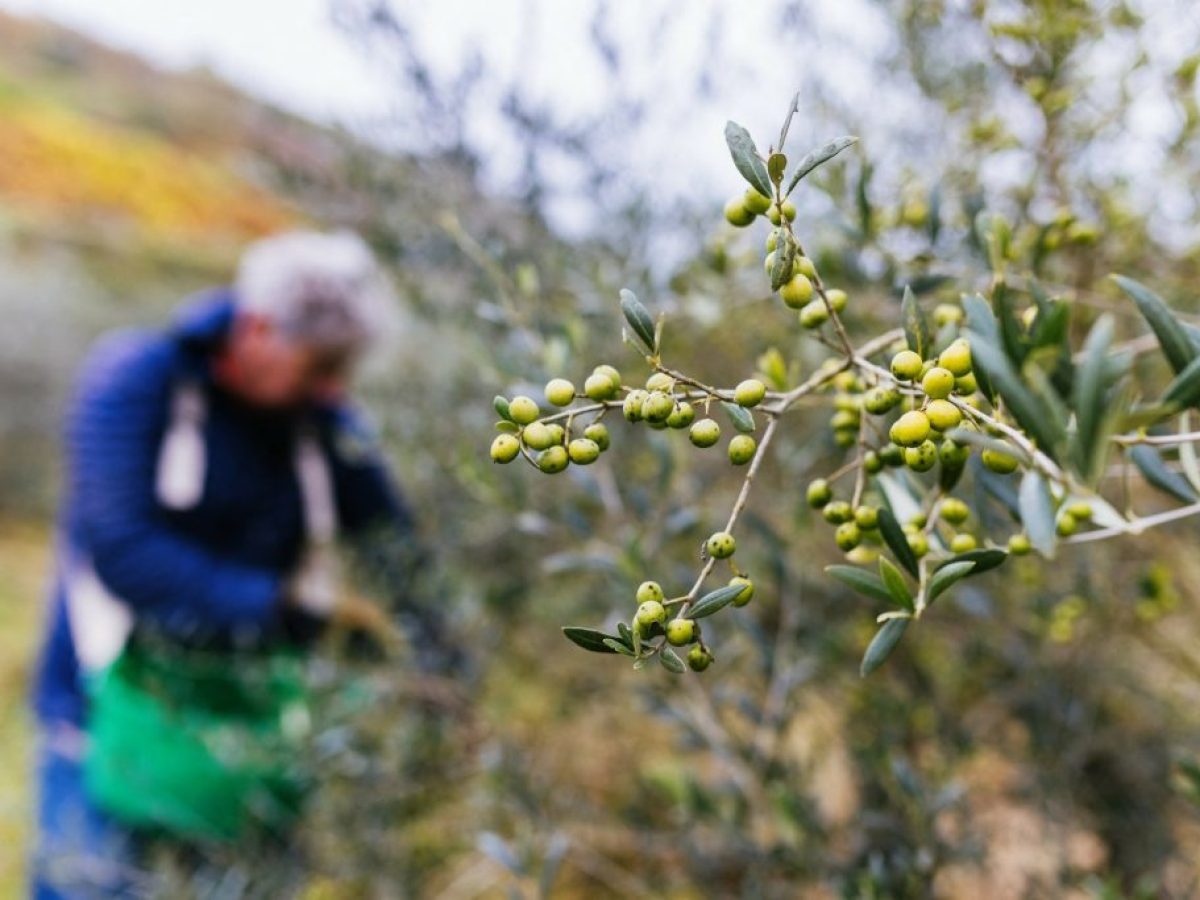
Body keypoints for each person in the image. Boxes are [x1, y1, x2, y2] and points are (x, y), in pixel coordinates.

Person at [30, 230, 419, 898]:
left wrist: (442, 653)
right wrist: (286, 609)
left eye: (342, 371)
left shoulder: (321, 421)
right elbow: (124, 552)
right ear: (258, 329)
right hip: (102, 711)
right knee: (92, 881)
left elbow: (396, 550)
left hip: (249, 719)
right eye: (320, 365)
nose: (332, 388)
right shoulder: (136, 380)